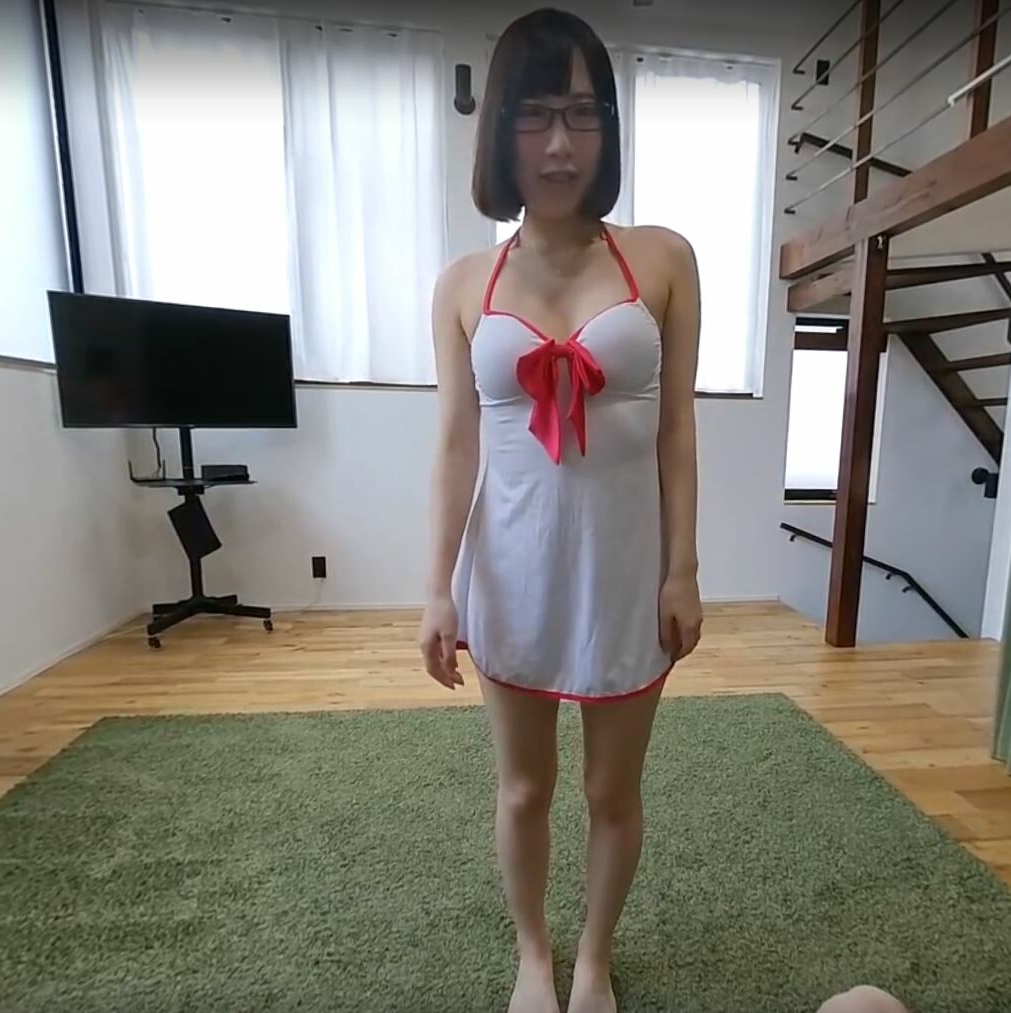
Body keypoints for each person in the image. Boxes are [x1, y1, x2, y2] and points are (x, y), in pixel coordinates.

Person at [418, 8, 704, 1013]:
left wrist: (683, 567)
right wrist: (436, 588)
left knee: (612, 790)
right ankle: (534, 954)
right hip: (511, 568)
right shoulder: (464, 283)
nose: (558, 143)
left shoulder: (664, 260)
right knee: (524, 787)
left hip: (625, 568)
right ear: (500, 128)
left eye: (582, 114)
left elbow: (676, 429)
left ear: (607, 128)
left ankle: (592, 958)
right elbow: (456, 444)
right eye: (535, 114)